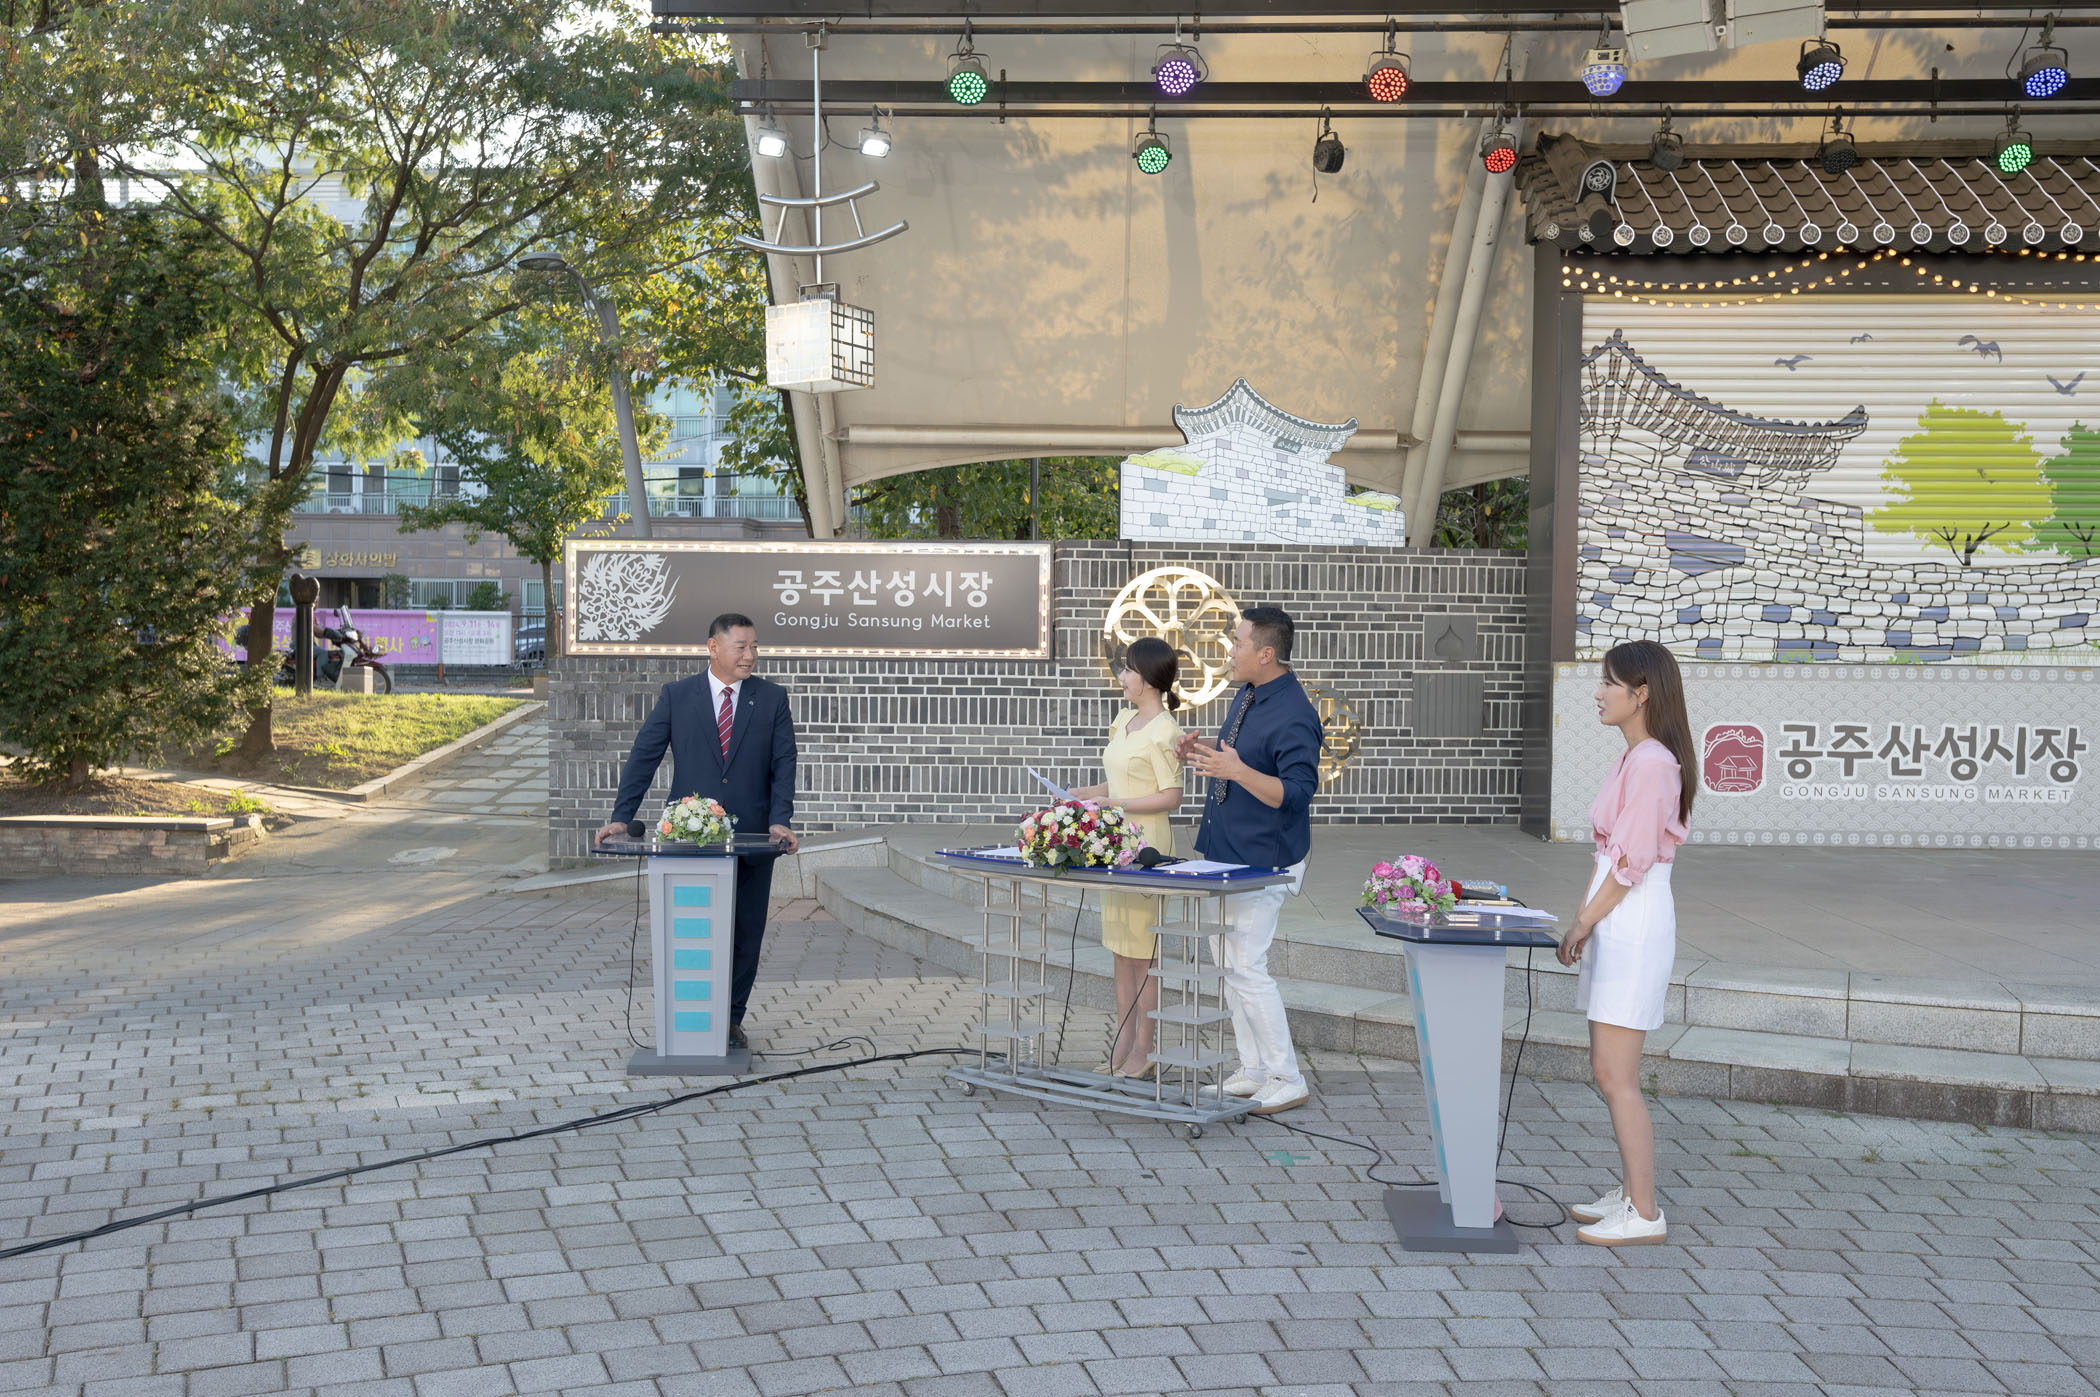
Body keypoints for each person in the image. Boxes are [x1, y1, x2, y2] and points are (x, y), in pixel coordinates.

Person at [597, 613, 800, 1051]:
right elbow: (644, 755)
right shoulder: (677, 696)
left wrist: (780, 819)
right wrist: (621, 816)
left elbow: (784, 763)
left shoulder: (771, 698)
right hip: (688, 841)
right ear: (713, 647)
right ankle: (689, 1016)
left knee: (745, 932)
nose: (750, 655)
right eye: (741, 647)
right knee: (693, 929)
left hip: (753, 840)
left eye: (754, 646)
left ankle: (730, 1018)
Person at [1555, 639, 1694, 1247]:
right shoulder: (1635, 757)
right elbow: (1613, 856)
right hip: (1615, 914)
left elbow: (1631, 861)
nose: (1598, 693)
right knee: (1606, 1069)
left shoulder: (1654, 763)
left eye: (1609, 683)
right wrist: (1586, 918)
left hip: (1631, 919)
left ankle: (1645, 1211)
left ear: (1642, 694)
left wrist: (1582, 923)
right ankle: (1630, 1192)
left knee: (1618, 1076)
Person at [1174, 606, 1322, 1116]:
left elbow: (1296, 794)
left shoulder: (1296, 712)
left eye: (1238, 643)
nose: (1230, 651)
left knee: (1247, 968)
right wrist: (1201, 752)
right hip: (1225, 852)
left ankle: (1287, 1077)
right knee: (1228, 966)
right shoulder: (1248, 693)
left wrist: (1235, 770)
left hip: (1264, 860)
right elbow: (1238, 761)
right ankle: (1254, 1069)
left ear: (1266, 653)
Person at [1067, 636, 1185, 1078]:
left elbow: (1171, 796)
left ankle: (1144, 1051)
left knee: (1143, 955)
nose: (1122, 676)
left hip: (1146, 848)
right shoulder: (1124, 720)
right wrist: (1081, 794)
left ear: (1150, 679)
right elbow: (1116, 782)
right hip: (1113, 844)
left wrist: (1113, 804)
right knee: (1120, 951)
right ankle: (1122, 1044)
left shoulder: (1166, 731)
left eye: (1129, 669)